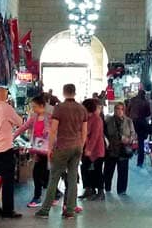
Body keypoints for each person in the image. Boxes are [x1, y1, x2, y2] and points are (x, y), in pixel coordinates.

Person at [36, 83, 87, 219]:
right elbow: (84, 131)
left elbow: (53, 130)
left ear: (64, 93)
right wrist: (81, 146)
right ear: (74, 93)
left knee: (54, 178)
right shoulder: (82, 109)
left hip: (62, 147)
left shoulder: (59, 108)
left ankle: (45, 210)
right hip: (76, 147)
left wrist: (50, 148)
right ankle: (70, 210)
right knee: (72, 178)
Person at [0, 87, 30, 219]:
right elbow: (20, 123)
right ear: (6, 96)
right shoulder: (7, 108)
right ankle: (8, 210)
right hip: (5, 150)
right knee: (7, 180)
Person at [24, 95, 53, 208]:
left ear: (42, 106)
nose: (33, 109)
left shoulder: (50, 118)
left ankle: (41, 197)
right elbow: (24, 127)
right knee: (38, 174)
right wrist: (13, 136)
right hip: (38, 149)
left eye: (34, 106)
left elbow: (54, 133)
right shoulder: (34, 117)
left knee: (44, 174)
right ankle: (39, 196)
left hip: (48, 151)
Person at [103, 102, 136, 195]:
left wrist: (129, 140)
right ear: (114, 110)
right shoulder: (108, 120)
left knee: (123, 171)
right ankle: (107, 187)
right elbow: (104, 133)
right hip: (111, 149)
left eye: (121, 109)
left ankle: (122, 190)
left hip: (123, 149)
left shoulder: (128, 121)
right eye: (117, 109)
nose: (119, 111)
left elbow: (133, 134)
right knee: (108, 170)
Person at [81, 98, 107, 200]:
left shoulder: (97, 119)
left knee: (97, 171)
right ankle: (89, 189)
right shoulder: (86, 118)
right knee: (85, 169)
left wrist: (89, 149)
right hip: (87, 148)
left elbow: (95, 136)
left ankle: (100, 191)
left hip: (96, 150)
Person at [126, 88, 152, 167]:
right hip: (142, 122)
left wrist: (129, 118)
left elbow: (127, 110)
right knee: (141, 142)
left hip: (132, 122)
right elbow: (148, 114)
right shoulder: (145, 102)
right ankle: (140, 162)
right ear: (144, 95)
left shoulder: (132, 100)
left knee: (129, 139)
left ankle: (127, 156)